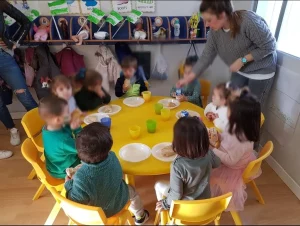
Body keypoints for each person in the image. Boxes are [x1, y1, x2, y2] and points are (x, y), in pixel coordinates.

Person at [177, 0, 276, 110]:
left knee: (251, 111)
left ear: (222, 15)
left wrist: (242, 60)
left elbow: (270, 46)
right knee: (230, 105)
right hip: (240, 70)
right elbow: (206, 56)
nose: (206, 24)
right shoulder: (215, 32)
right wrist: (188, 78)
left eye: (209, 20)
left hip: (260, 70)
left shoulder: (248, 22)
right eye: (204, 20)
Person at [65, 123, 149, 225]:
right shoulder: (112, 157)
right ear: (109, 146)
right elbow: (118, 175)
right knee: (133, 193)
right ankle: (140, 216)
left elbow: (75, 200)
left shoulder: (81, 177)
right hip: (120, 199)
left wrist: (68, 184)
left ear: (79, 152)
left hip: (99, 213)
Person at [210, 89, 261, 211]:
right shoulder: (240, 127)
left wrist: (212, 149)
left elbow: (230, 161)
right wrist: (219, 135)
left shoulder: (240, 139)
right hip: (234, 157)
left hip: (230, 168)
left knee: (202, 169)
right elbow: (227, 137)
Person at [155, 117, 220, 211]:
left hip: (185, 210)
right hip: (205, 205)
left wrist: (165, 204)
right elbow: (217, 163)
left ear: (178, 143)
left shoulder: (177, 166)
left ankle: (163, 215)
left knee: (158, 185)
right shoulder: (208, 154)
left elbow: (176, 194)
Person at [0, 1, 38, 159]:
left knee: (24, 94)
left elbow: (25, 22)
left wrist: (13, 43)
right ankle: (12, 130)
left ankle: (41, 126)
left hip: (3, 56)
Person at [39, 95, 81, 179]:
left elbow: (66, 127)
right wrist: (77, 130)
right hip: (65, 170)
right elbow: (83, 148)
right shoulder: (62, 141)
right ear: (57, 119)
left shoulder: (49, 127)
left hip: (55, 165)